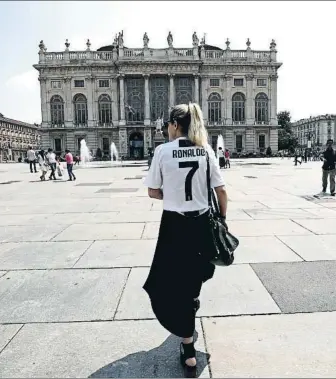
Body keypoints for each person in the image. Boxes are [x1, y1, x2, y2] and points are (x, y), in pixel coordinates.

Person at [143, 103, 227, 378]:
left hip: (174, 226)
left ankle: (188, 347)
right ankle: (189, 313)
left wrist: (175, 193)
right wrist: (222, 220)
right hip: (201, 224)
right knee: (192, 281)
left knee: (167, 282)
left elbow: (153, 192)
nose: (167, 128)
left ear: (174, 125)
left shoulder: (163, 151)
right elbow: (222, 192)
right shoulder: (205, 151)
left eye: (168, 124)